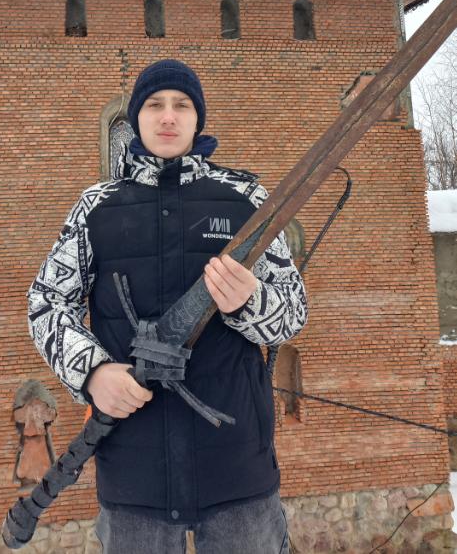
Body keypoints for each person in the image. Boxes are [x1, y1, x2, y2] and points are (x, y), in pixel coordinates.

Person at [27, 59, 308, 554]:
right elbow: (48, 304)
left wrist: (249, 302)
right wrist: (92, 373)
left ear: (198, 118)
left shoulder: (246, 198)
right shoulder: (97, 206)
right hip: (135, 478)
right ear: (135, 119)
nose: (168, 117)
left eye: (181, 106)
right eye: (155, 105)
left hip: (237, 466)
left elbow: (292, 311)